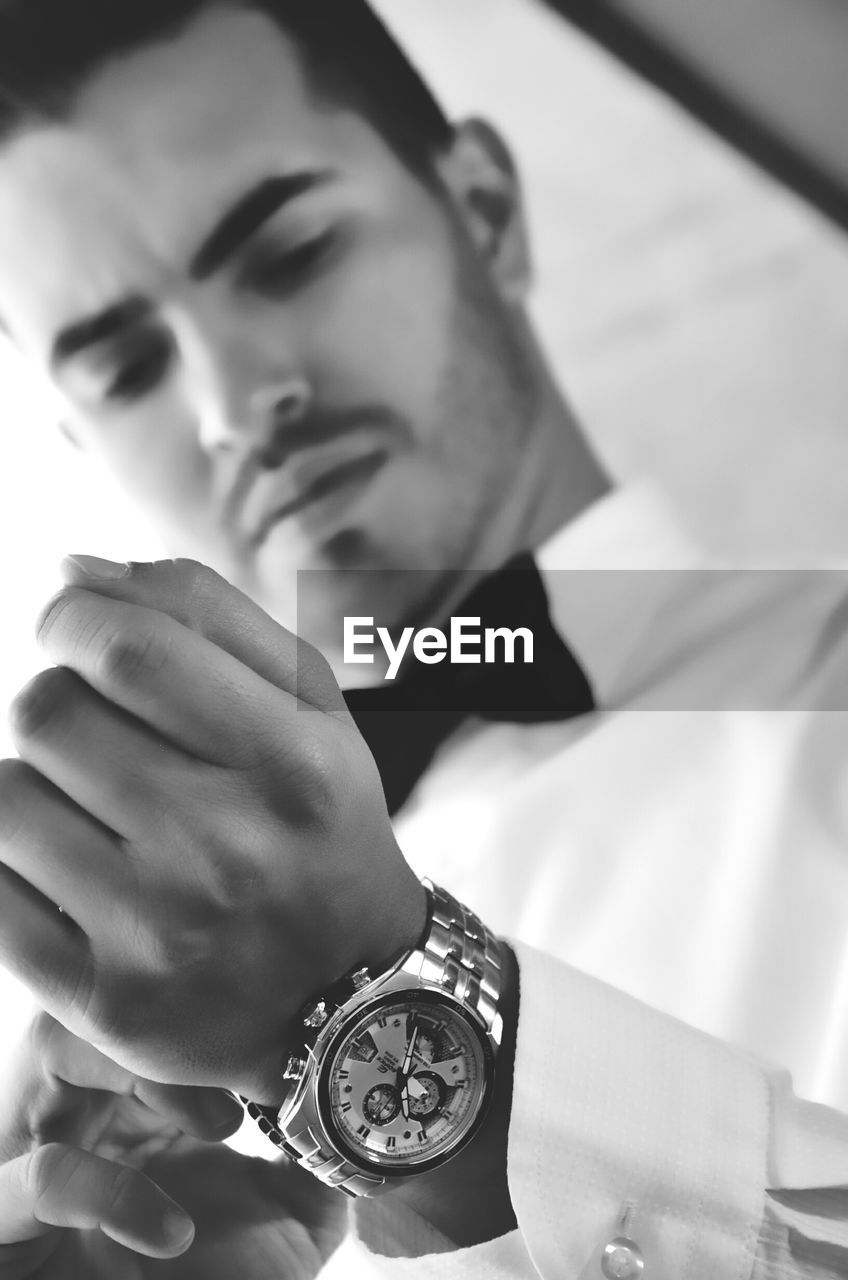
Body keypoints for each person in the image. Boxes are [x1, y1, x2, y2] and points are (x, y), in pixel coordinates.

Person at [0, 1, 847, 1276]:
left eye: (287, 252)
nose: (235, 404)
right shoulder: (140, 1070)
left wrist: (422, 1069)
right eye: (124, 368)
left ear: (486, 211)